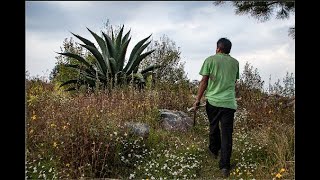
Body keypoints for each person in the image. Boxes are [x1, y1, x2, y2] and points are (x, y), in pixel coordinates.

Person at [193, 37, 239, 178]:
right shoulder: (235, 63)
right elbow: (234, 82)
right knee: (227, 134)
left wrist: (197, 100)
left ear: (218, 48)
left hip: (213, 101)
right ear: (228, 49)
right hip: (229, 103)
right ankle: (224, 166)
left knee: (214, 127)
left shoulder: (210, 60)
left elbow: (204, 81)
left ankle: (213, 150)